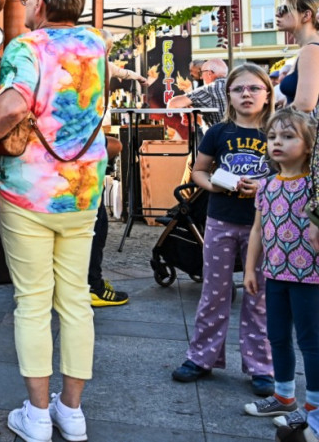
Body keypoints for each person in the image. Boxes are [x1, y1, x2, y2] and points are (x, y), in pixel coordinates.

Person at [0, 0, 107, 442]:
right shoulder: (97, 43)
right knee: (75, 301)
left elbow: (14, 107)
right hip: (82, 190)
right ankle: (71, 412)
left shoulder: (27, 47)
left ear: (42, 2)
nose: (26, 1)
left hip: (29, 190)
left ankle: (36, 415)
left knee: (32, 303)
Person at [170, 64, 275, 396]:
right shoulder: (219, 132)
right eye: (238, 89)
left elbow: (290, 172)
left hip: (262, 225)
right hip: (220, 220)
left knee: (258, 297)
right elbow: (200, 171)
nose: (246, 94)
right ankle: (201, 358)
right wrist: (215, 185)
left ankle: (261, 366)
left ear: (268, 94)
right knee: (214, 292)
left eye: (254, 88)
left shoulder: (276, 130)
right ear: (227, 95)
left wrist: (263, 186)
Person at [243, 109, 319, 435]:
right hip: (275, 274)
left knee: (311, 341)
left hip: (309, 277)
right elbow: (258, 230)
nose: (277, 142)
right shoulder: (267, 185)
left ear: (308, 145)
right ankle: (284, 396)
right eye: (273, 136)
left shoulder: (313, 187)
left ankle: (313, 407)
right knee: (276, 336)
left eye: (288, 137)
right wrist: (249, 268)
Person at [88, 60, 147, 308]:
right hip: (79, 171)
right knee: (95, 226)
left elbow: (121, 71)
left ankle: (87, 283)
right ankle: (92, 286)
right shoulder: (87, 66)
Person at [277, 0, 319, 117]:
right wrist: (287, 101)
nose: (277, 14)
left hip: (308, 133)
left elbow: (305, 104)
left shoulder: (311, 50)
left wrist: (274, 119)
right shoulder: (308, 50)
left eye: (283, 9)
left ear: (306, 15)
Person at [167, 58, 229, 128]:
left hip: (221, 136)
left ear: (209, 73)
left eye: (202, 73)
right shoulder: (237, 85)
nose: (201, 77)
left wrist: (187, 107)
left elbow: (172, 104)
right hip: (241, 136)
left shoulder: (209, 89)